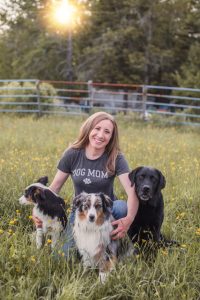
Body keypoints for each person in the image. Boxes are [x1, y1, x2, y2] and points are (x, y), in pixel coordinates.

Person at [33, 111, 139, 255]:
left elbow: (131, 192)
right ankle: (88, 244)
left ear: (111, 137)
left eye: (107, 132)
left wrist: (129, 219)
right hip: (81, 212)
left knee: (121, 207)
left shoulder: (116, 158)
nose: (101, 135)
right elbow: (54, 188)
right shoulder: (72, 153)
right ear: (89, 128)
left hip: (105, 211)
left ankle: (110, 246)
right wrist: (38, 211)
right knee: (63, 258)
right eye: (97, 128)